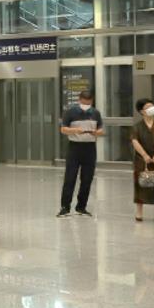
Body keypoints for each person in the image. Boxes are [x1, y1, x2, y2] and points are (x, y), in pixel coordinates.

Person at [57, 90, 104, 218]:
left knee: (87, 179)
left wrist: (97, 132)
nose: (86, 105)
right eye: (84, 103)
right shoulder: (70, 112)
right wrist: (75, 130)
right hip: (74, 148)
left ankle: (81, 207)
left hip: (90, 148)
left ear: (92, 101)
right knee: (70, 178)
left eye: (88, 103)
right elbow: (63, 129)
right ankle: (65, 207)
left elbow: (101, 129)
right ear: (79, 100)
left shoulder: (95, 113)